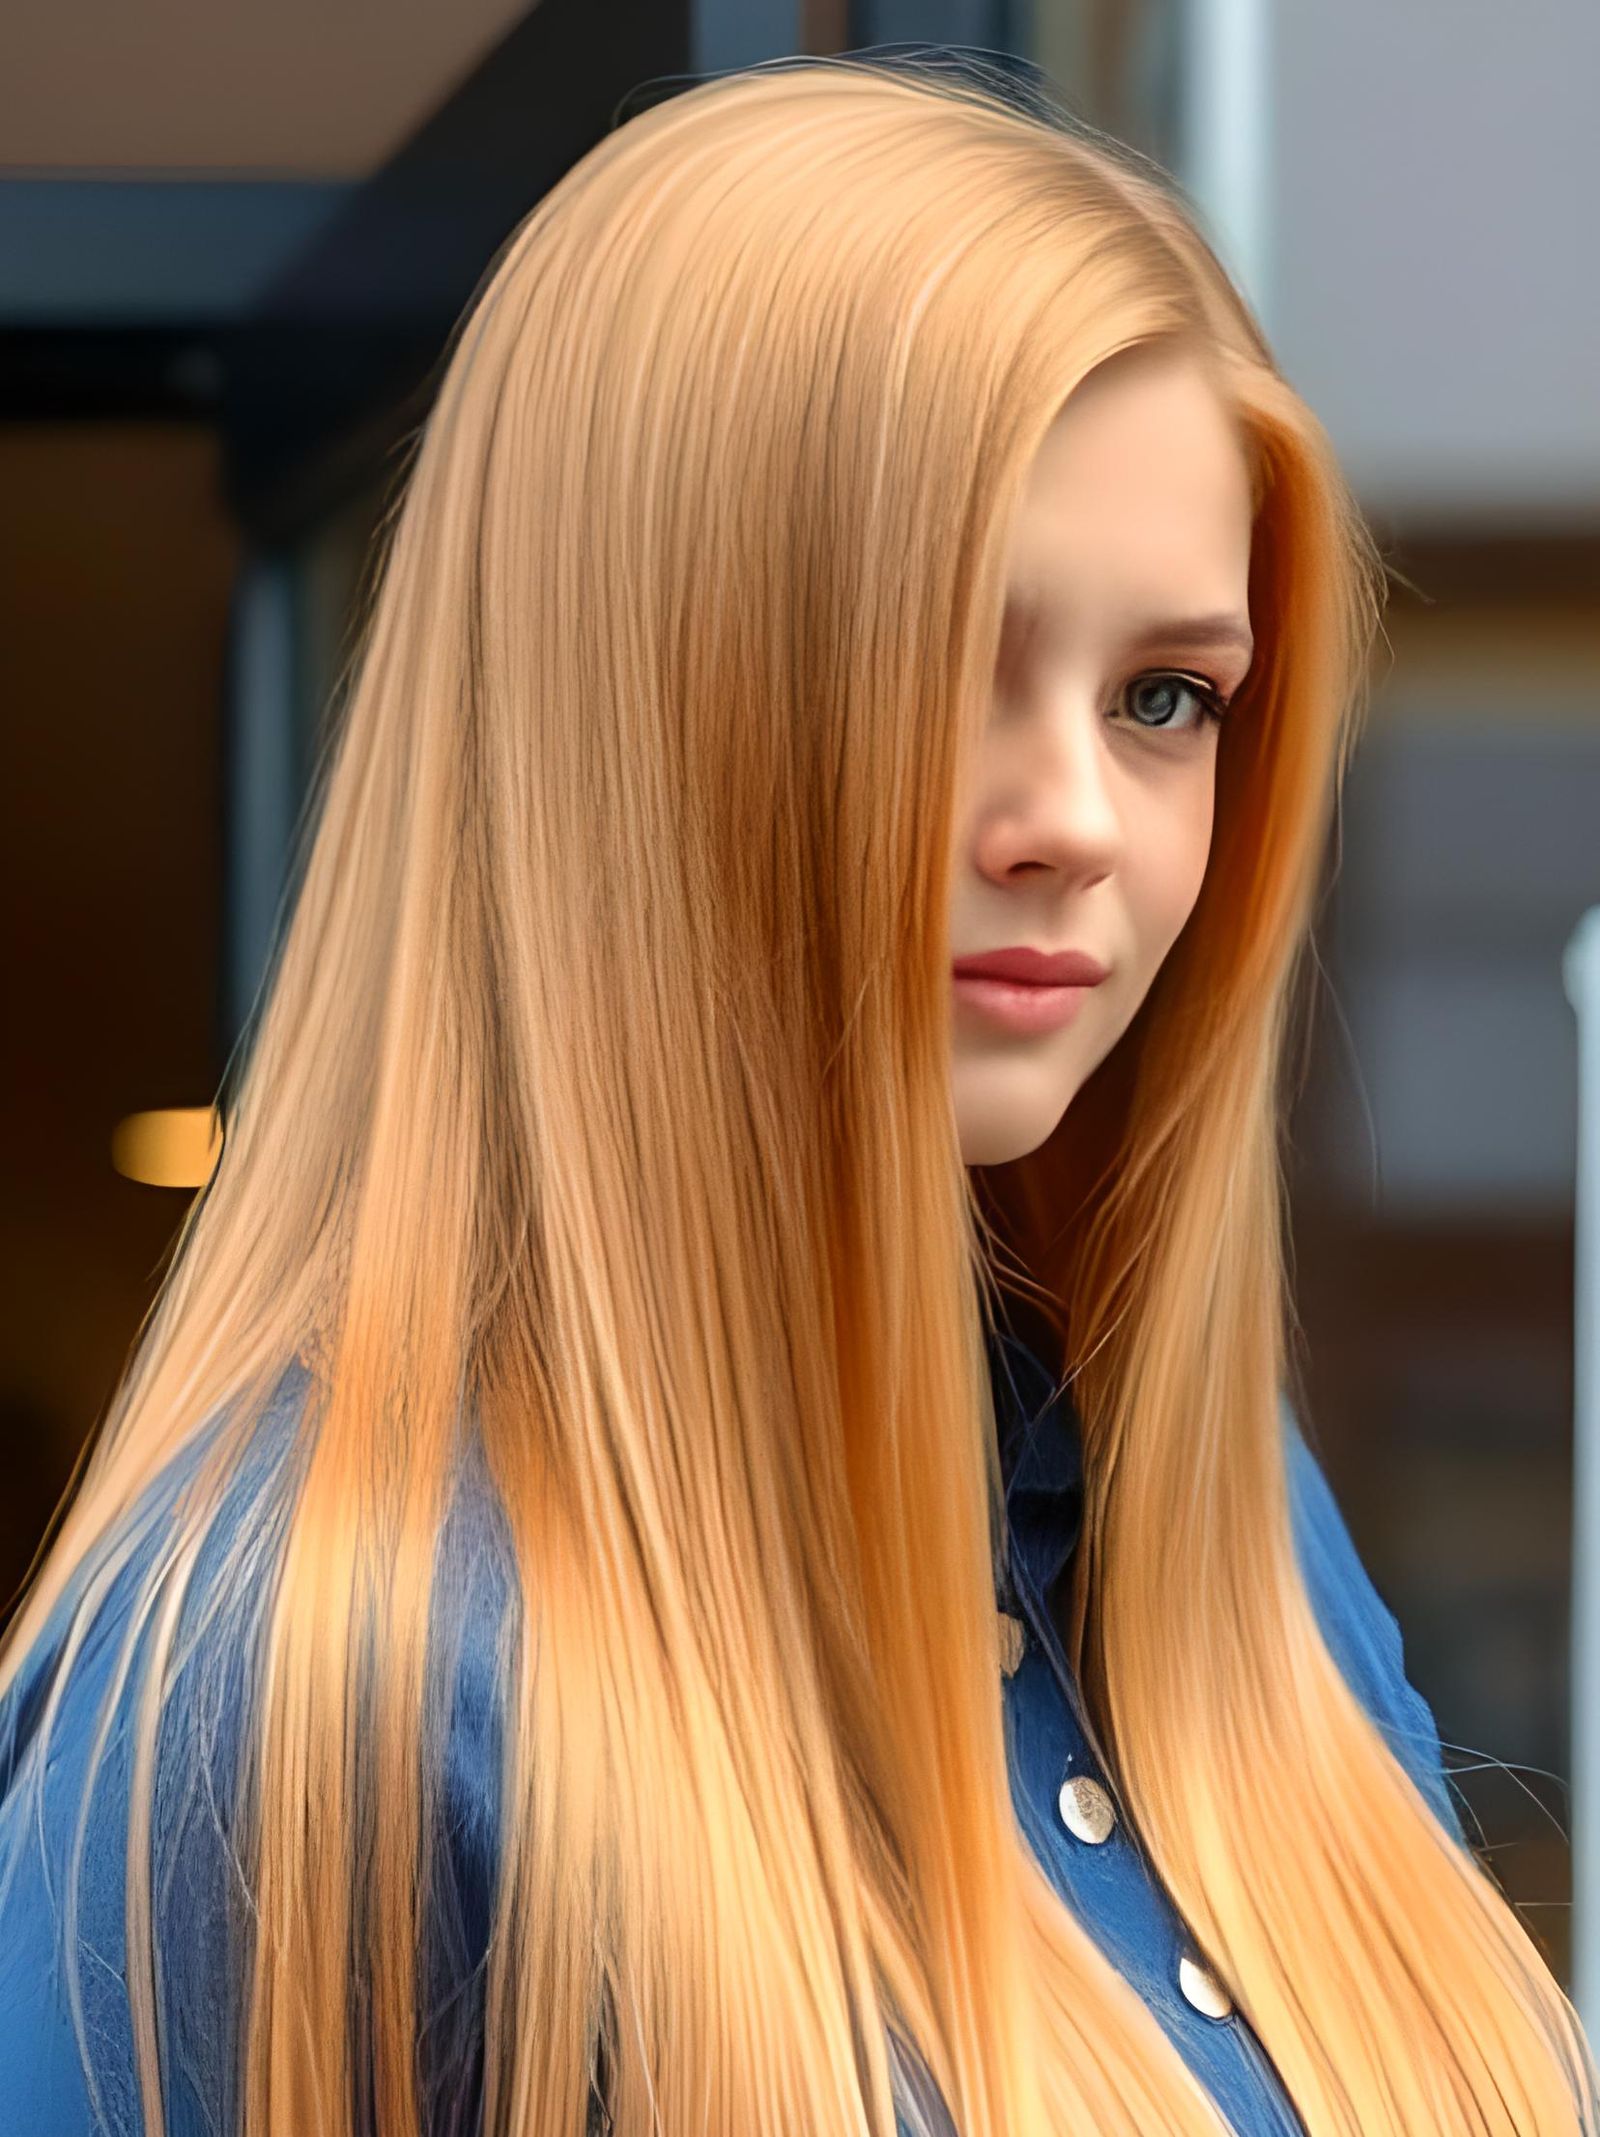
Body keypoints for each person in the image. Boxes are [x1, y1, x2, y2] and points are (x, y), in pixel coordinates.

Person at [0, 46, 1592, 2137]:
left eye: (1162, 697)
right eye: (938, 656)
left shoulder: (1204, 1528)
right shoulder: (300, 1691)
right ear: (629, 696)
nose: (1074, 822)